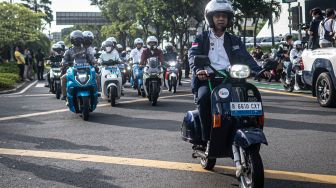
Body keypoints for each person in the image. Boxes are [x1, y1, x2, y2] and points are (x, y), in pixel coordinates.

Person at [188, 0, 262, 142]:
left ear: (229, 19)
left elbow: (246, 57)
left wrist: (259, 70)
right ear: (210, 18)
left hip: (232, 79)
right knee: (204, 99)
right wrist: (198, 70)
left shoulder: (234, 40)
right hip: (208, 79)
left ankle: (248, 127)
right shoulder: (201, 38)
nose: (221, 19)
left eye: (224, 16)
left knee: (249, 96)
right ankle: (207, 138)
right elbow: (193, 55)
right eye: (217, 16)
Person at [60, 30, 96, 100]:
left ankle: (96, 92)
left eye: (79, 39)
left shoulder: (86, 50)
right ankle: (64, 95)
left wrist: (94, 62)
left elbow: (91, 58)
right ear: (72, 40)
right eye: (76, 40)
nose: (78, 41)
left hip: (85, 70)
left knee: (97, 76)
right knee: (63, 78)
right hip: (73, 70)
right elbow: (64, 60)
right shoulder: (68, 51)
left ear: (82, 40)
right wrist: (64, 63)